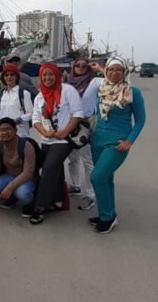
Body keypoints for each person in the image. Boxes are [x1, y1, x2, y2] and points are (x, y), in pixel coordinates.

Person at [89, 57, 146, 234]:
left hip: (117, 143)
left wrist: (130, 141)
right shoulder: (102, 88)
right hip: (97, 140)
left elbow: (140, 120)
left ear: (125, 72)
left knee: (97, 177)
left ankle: (107, 218)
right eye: (111, 69)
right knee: (107, 179)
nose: (114, 73)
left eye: (118, 70)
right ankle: (108, 213)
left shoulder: (132, 92)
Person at [30, 63, 83, 224]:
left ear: (57, 75)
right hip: (47, 139)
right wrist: (44, 132)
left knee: (48, 169)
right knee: (56, 169)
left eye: (50, 74)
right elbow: (36, 119)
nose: (47, 78)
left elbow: (77, 114)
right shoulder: (40, 96)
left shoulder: (67, 90)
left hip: (63, 140)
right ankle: (59, 200)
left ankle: (40, 207)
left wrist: (65, 132)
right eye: (44, 75)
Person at [65, 58, 104, 210]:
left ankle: (90, 194)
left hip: (87, 125)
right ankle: (75, 185)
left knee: (87, 160)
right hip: (71, 124)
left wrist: (100, 68)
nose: (80, 68)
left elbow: (113, 81)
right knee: (72, 157)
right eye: (77, 65)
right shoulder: (68, 83)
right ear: (73, 67)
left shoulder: (94, 82)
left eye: (84, 65)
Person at [0, 117, 36, 215]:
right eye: (2, 130)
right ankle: (13, 198)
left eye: (8, 129)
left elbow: (28, 172)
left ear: (15, 130)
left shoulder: (26, 146)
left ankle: (30, 204)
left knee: (23, 193)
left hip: (26, 178)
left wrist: (9, 188)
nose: (5, 133)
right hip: (9, 176)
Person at [0, 63, 33, 139]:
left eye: (12, 75)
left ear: (17, 77)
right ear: (3, 78)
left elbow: (30, 113)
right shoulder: (0, 95)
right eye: (6, 75)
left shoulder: (24, 93)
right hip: (3, 134)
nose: (9, 77)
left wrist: (16, 121)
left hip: (20, 133)